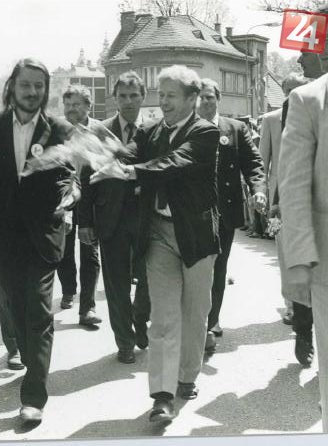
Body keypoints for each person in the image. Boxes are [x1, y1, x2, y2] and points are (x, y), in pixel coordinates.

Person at [93, 65, 220, 421]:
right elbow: (129, 152)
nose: (162, 102)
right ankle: (162, 395)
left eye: (170, 96)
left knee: (195, 313)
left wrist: (132, 171)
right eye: (160, 95)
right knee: (163, 316)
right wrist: (104, 154)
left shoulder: (205, 132)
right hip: (159, 234)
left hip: (196, 235)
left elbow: (175, 162)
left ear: (192, 98)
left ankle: (186, 376)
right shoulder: (151, 132)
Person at [0, 58, 79, 423]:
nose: (33, 92)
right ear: (12, 87)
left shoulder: (59, 129)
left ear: (46, 91)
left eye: (39, 86)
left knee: (39, 313)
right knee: (17, 310)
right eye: (26, 85)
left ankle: (34, 396)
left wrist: (70, 195)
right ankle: (33, 362)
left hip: (44, 235)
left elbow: (69, 178)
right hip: (5, 239)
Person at [278, 2, 328, 432]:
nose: (323, 48)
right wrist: (298, 259)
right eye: (321, 39)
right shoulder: (307, 100)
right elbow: (294, 186)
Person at [78, 70, 150, 364]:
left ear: (143, 97)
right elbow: (86, 177)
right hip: (111, 218)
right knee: (116, 283)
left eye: (134, 96)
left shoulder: (155, 129)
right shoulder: (99, 132)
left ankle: (140, 319)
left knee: (149, 281)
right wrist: (84, 221)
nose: (128, 101)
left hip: (148, 218)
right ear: (115, 99)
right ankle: (125, 341)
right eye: (123, 96)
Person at [197, 78, 266, 352]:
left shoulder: (235, 129)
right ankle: (197, 321)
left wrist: (258, 190)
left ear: (218, 99)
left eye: (209, 97)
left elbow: (253, 164)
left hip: (224, 211)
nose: (204, 102)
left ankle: (210, 321)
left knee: (218, 266)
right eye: (200, 97)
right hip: (194, 212)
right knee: (197, 268)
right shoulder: (187, 128)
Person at [259, 73, 309, 328]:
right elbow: (262, 161)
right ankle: (291, 306)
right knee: (284, 253)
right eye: (290, 90)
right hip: (280, 199)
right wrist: (263, 195)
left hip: (309, 195)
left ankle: (309, 305)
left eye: (299, 89)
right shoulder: (271, 120)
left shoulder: (315, 115)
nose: (294, 95)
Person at [57, 84, 102, 327]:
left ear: (88, 106)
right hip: (65, 199)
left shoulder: (99, 131)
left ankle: (88, 308)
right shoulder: (56, 131)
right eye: (67, 105)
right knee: (63, 250)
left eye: (76, 104)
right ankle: (68, 290)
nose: (70, 109)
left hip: (91, 199)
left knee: (90, 252)